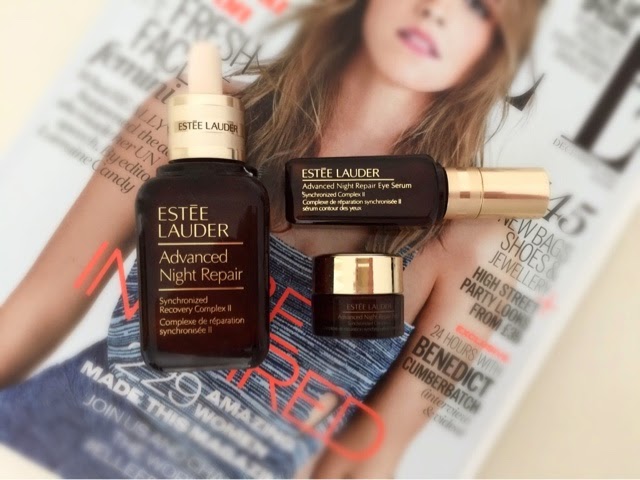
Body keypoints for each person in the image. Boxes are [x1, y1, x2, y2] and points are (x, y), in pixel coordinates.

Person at [0, 0, 545, 477]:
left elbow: (357, 466)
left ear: (496, 47)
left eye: (479, 5)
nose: (437, 9)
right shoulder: (196, 114)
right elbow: (40, 304)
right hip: (35, 438)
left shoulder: (475, 248)